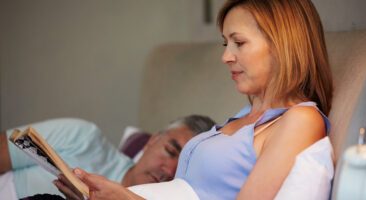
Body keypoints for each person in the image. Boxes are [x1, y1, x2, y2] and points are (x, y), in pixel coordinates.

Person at [56, 0, 334, 199]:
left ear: (281, 44)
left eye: (239, 42)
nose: (226, 57)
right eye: (226, 44)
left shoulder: (300, 120)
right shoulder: (244, 117)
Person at [0, 115, 215, 199]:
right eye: (170, 151)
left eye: (180, 169)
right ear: (152, 140)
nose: (168, 171)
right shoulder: (82, 137)